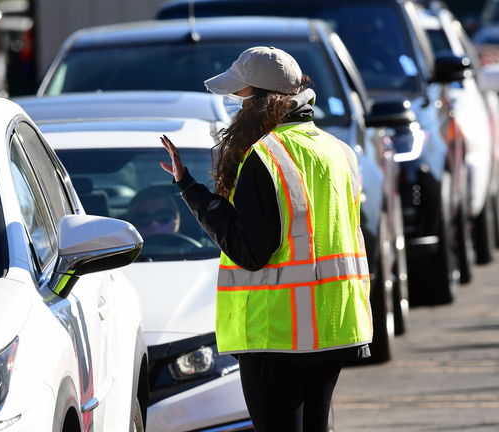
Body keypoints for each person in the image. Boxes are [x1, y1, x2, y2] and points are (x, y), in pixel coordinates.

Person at [159, 46, 372, 432]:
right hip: (333, 328)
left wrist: (190, 190)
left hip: (276, 335)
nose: (237, 111)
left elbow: (251, 251)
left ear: (262, 100)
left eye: (240, 99)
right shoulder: (338, 151)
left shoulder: (265, 155)